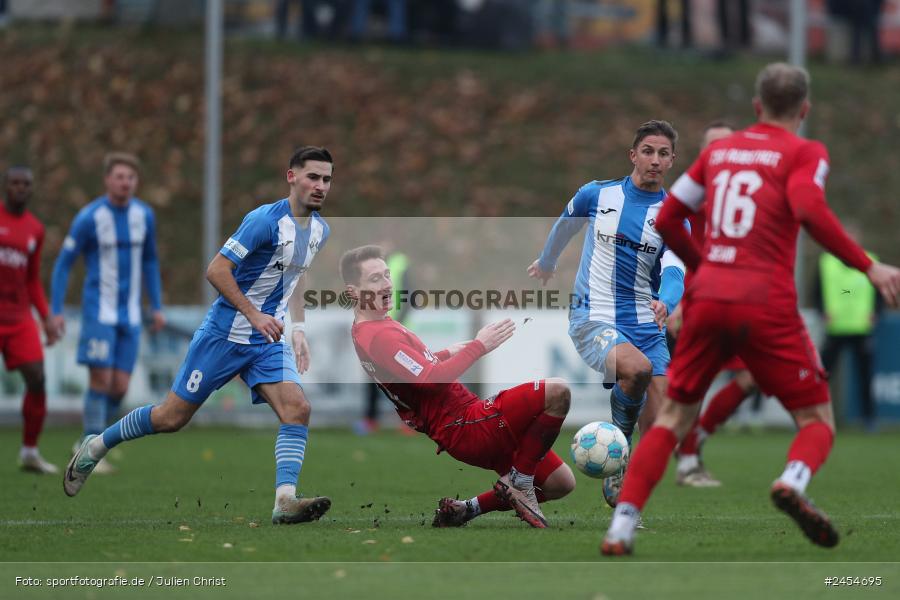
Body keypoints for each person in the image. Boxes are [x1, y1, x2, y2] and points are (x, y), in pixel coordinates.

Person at [601, 63, 900, 556]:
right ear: (804, 109)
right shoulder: (804, 152)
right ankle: (792, 481)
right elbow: (809, 208)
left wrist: (706, 268)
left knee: (672, 416)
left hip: (709, 297)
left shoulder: (719, 153)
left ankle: (621, 527)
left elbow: (671, 217)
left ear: (757, 106)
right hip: (766, 301)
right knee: (817, 418)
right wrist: (868, 266)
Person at [64, 146, 336, 526]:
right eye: (313, 177)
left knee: (297, 409)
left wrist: (300, 330)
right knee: (170, 418)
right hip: (223, 336)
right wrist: (253, 314)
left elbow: (296, 273)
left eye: (326, 179)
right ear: (291, 177)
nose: (320, 186)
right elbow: (216, 270)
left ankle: (285, 500)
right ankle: (96, 445)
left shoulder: (320, 230)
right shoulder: (264, 221)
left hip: (265, 342)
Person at [344, 245, 576, 528]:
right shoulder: (379, 335)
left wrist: (448, 353)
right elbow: (431, 380)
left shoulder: (368, 328)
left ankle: (466, 509)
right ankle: (519, 481)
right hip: (466, 424)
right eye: (374, 279)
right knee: (558, 392)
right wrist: (479, 346)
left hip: (459, 428)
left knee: (560, 483)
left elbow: (410, 370)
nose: (387, 284)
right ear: (353, 292)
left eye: (386, 275)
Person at [528, 120, 687, 508]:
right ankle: (619, 444)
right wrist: (547, 262)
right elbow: (564, 226)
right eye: (647, 151)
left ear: (672, 161)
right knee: (637, 369)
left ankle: (626, 501)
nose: (654, 160)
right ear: (633, 155)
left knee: (664, 429)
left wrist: (666, 301)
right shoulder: (597, 194)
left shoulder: (674, 217)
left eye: (663, 154)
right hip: (593, 316)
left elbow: (675, 270)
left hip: (646, 323)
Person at [49, 153, 165, 473]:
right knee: (100, 379)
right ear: (107, 180)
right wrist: (56, 309)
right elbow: (64, 264)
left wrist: (156, 305)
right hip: (98, 312)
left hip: (130, 316)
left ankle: (93, 440)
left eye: (130, 177)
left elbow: (150, 261)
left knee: (120, 387)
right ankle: (87, 445)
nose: (125, 182)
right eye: (119, 177)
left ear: (136, 182)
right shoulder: (90, 217)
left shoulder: (144, 215)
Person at [669, 120, 761, 488]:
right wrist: (676, 300)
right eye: (712, 145)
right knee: (693, 385)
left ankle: (696, 438)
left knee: (753, 375)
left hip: (737, 299)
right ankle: (687, 462)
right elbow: (667, 243)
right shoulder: (690, 193)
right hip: (695, 300)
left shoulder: (749, 191)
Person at [0, 166, 59, 473]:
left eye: (25, 183)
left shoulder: (35, 229)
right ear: (5, 186)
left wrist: (46, 317)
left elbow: (32, 279)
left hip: (18, 315)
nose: (20, 188)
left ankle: (29, 451)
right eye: (15, 183)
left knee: (37, 377)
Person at [814, 224, 881, 431]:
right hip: (835, 327)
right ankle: (814, 415)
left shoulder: (871, 260)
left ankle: (869, 419)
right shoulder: (827, 263)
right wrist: (822, 311)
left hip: (861, 327)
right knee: (822, 375)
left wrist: (876, 313)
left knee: (865, 376)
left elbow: (879, 292)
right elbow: (817, 292)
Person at [355, 246, 413, 435]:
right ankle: (371, 420)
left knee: (402, 377)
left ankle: (410, 421)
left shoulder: (400, 264)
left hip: (396, 332)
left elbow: (409, 299)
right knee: (373, 375)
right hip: (375, 331)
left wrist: (397, 326)